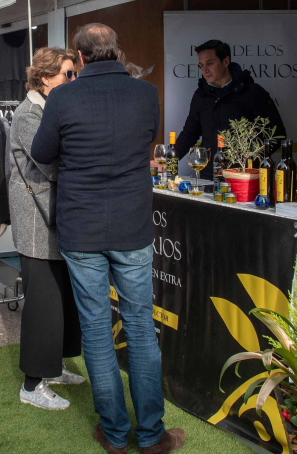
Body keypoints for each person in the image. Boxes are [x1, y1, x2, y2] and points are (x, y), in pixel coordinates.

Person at [31, 24, 185, 454]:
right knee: (140, 327)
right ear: (117, 51)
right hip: (132, 226)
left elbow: (42, 153)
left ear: (79, 59)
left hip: (81, 228)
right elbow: (146, 140)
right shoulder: (144, 94)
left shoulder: (62, 97)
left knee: (97, 330)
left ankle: (115, 435)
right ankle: (151, 436)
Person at [8, 47, 84, 411]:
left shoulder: (48, 109)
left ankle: (53, 368)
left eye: (73, 73)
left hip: (55, 217)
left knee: (60, 297)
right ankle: (32, 383)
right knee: (43, 303)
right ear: (44, 78)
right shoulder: (28, 114)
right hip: (38, 221)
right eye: (67, 74)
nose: (73, 80)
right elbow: (51, 164)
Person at [174, 39, 285, 178]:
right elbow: (189, 134)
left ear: (225, 62)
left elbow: (277, 134)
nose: (205, 70)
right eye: (201, 65)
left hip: (243, 178)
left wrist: (250, 160)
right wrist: (168, 161)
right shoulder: (200, 96)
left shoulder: (253, 92)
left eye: (210, 63)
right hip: (209, 176)